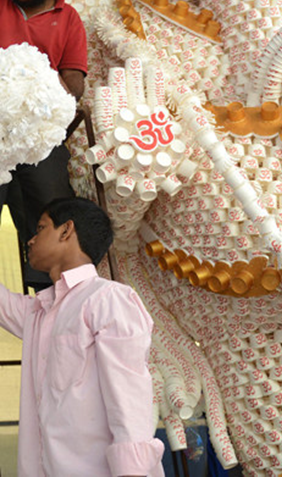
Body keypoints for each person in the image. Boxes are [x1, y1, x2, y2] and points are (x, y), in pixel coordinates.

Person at [0, 196, 165, 477]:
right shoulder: (37, 312)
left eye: (40, 229)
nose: (30, 240)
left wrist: (132, 472)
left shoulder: (108, 298)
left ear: (66, 230)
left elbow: (129, 393)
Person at [0, 0, 88, 286]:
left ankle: (44, 288)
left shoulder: (68, 19)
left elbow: (74, 81)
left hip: (37, 134)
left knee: (52, 203)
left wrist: (42, 88)